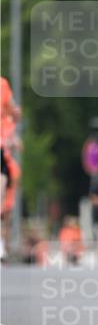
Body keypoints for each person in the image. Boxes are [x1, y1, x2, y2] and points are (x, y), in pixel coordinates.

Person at [0, 76, 22, 261]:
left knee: (3, 203)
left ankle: (1, 243)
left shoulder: (2, 84)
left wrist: (15, 113)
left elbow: (13, 112)